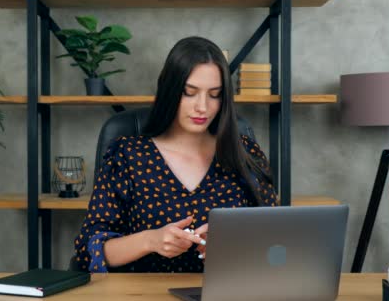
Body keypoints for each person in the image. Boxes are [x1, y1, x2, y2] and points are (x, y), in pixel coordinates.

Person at [74, 36, 278, 273]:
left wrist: (234, 246)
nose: (202, 107)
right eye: (189, 93)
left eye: (214, 95)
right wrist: (149, 241)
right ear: (170, 91)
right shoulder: (128, 155)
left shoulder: (245, 152)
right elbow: (88, 249)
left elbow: (275, 240)